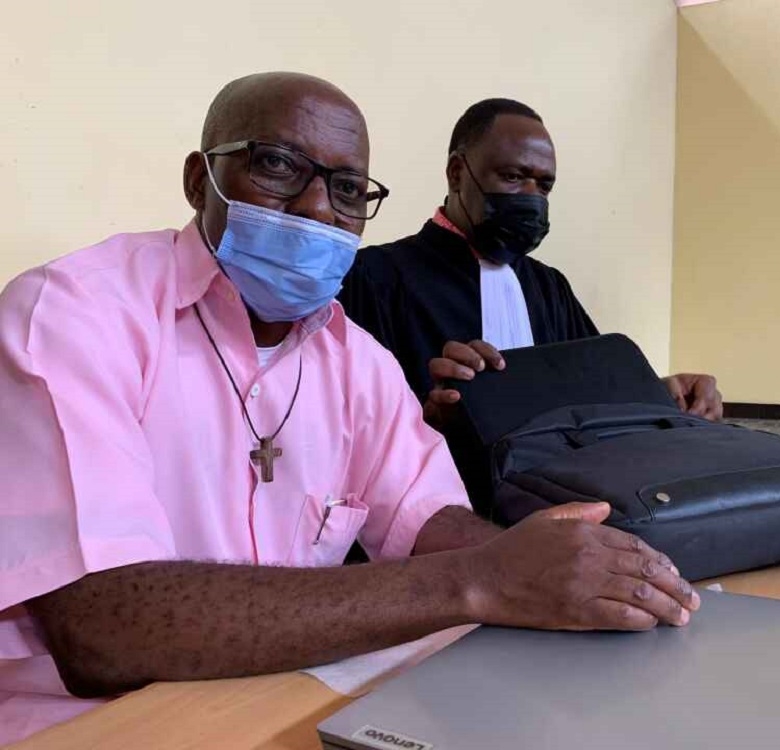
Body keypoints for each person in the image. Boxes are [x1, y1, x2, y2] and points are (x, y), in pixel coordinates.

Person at [0, 73, 700, 744]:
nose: (314, 208)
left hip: (292, 696)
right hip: (92, 724)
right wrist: (480, 579)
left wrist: (574, 574)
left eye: (345, 188)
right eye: (276, 165)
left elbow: (428, 519)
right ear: (198, 179)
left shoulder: (355, 359)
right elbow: (106, 628)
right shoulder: (74, 317)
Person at [338, 98, 724, 422]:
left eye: (544, 185)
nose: (531, 197)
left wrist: (665, 392)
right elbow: (345, 422)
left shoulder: (549, 287)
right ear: (457, 173)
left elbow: (596, 394)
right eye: (513, 177)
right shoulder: (373, 278)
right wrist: (427, 418)